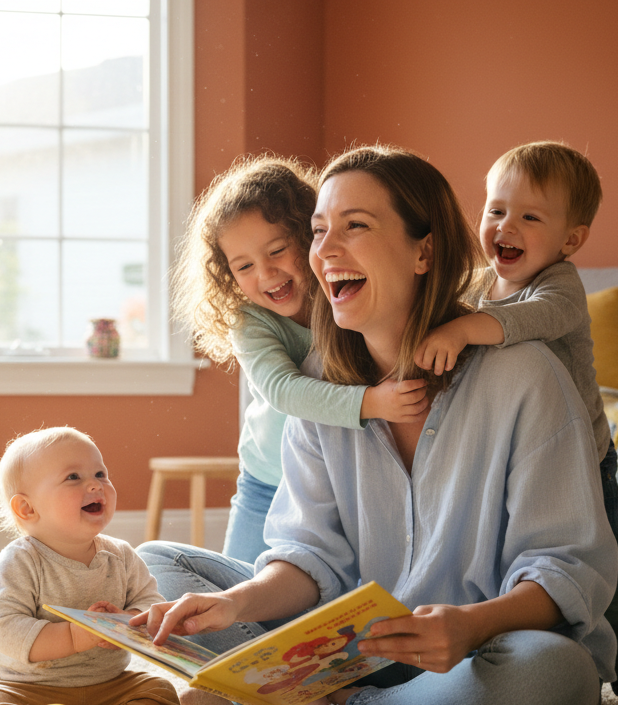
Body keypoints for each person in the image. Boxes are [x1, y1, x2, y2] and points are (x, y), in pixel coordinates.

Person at [134, 145, 618, 705]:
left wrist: (471, 626)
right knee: (157, 563)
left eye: (354, 226)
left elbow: (564, 564)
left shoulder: (525, 375)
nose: (325, 250)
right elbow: (311, 557)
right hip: (348, 644)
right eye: (317, 231)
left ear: (424, 250)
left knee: (551, 681)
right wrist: (239, 604)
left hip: (478, 656)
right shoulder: (319, 384)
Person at [413, 141, 618, 705]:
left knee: (608, 567)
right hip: (511, 453)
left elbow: (534, 320)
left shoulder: (560, 287)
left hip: (580, 457)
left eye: (530, 216)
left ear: (570, 239)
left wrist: (464, 329)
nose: (507, 226)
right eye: (496, 210)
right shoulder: (475, 285)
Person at [170, 156, 429, 565]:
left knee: (322, 585)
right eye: (244, 267)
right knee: (239, 589)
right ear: (227, 275)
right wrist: (372, 403)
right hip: (267, 481)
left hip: (335, 482)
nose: (266, 273)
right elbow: (282, 390)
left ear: (309, 238)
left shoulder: (345, 294)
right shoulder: (250, 320)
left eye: (277, 250)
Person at [0, 427, 183, 705]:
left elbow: (150, 604)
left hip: (109, 686)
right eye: (73, 477)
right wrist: (77, 636)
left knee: (158, 690)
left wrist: (128, 621)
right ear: (27, 508)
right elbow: (3, 628)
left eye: (100, 474)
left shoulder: (121, 556)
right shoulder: (20, 560)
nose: (95, 485)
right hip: (28, 689)